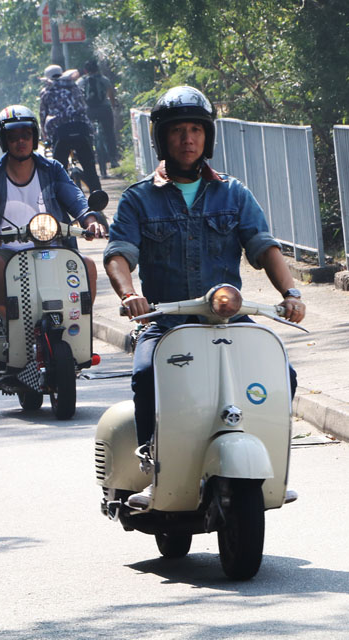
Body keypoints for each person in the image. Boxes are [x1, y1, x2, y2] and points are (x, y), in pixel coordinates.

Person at [103, 86, 305, 508]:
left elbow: (263, 246)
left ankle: (271, 459)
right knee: (145, 375)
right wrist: (130, 295)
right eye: (178, 131)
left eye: (196, 129)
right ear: (163, 137)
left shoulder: (234, 194)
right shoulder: (139, 199)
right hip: (166, 321)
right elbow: (119, 254)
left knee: (281, 372)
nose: (188, 139)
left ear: (207, 136)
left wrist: (290, 292)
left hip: (228, 319)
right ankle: (150, 458)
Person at [0, 105, 106, 383]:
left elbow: (75, 198)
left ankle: (77, 332)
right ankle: (9, 324)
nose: (20, 140)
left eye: (26, 134)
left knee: (87, 266)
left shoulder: (52, 169)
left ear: (35, 136)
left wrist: (90, 221)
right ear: (3, 140)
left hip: (52, 248)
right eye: (13, 135)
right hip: (7, 253)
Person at [38, 64, 102, 192]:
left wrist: (45, 136)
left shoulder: (46, 92)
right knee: (90, 168)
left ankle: (60, 200)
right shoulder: (74, 87)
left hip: (60, 132)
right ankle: (98, 198)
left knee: (58, 171)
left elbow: (43, 116)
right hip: (82, 129)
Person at [77, 59, 119, 175]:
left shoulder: (81, 81)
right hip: (104, 109)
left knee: (87, 136)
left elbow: (78, 97)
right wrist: (113, 105)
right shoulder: (104, 79)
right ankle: (113, 159)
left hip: (89, 111)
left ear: (86, 70)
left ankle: (88, 158)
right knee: (109, 132)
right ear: (97, 68)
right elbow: (111, 96)